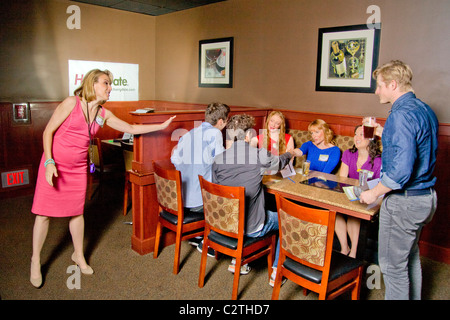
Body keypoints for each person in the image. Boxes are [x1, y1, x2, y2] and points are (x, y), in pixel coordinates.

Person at [30, 69, 175, 288]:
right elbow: (47, 132)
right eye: (106, 83)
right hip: (55, 166)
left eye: (111, 84)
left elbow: (131, 127)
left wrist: (161, 126)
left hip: (78, 169)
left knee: (77, 213)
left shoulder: (102, 113)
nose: (110, 88)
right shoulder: (72, 103)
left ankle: (78, 256)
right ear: (92, 84)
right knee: (43, 214)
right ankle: (35, 260)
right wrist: (49, 162)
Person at [359, 60, 438, 300]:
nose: (376, 91)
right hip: (426, 198)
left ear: (393, 84)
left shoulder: (400, 115)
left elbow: (401, 172)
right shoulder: (423, 109)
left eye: (379, 86)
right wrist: (387, 134)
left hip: (404, 202)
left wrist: (374, 193)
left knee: (393, 268)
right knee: (409, 257)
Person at [212, 114, 302, 284]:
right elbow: (279, 163)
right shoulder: (258, 154)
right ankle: (277, 270)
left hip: (225, 224)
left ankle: (237, 260)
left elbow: (219, 193)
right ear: (248, 136)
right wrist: (290, 153)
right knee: (288, 219)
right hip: (251, 227)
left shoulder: (218, 159)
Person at [170, 102, 230, 254]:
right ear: (221, 121)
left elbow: (175, 159)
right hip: (199, 203)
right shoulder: (215, 134)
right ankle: (208, 241)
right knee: (231, 202)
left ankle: (199, 234)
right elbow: (221, 162)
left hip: (181, 199)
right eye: (227, 120)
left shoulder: (190, 133)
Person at [335, 125, 382, 258]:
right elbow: (342, 179)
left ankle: (354, 252)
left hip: (368, 198)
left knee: (353, 213)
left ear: (371, 139)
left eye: (361, 134)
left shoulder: (378, 160)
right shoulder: (348, 154)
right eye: (355, 134)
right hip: (348, 193)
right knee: (334, 210)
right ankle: (345, 248)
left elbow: (378, 186)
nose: (357, 137)